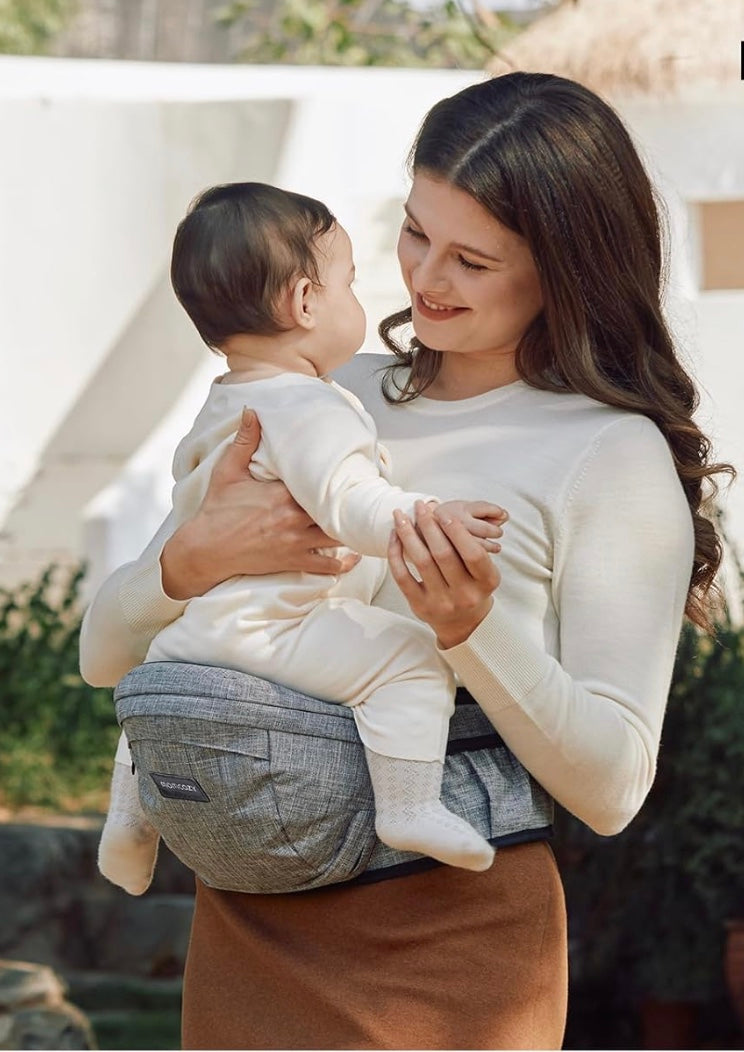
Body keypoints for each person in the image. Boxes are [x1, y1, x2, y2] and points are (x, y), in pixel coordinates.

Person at [80, 72, 733, 1050]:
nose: (425, 277)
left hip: (449, 945)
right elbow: (105, 656)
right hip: (249, 923)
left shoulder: (609, 453)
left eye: (471, 259)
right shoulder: (313, 393)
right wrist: (184, 562)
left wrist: (470, 631)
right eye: (415, 232)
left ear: (563, 268)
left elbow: (609, 789)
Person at [98, 181, 508, 896]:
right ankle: (409, 807)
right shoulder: (312, 407)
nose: (357, 297)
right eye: (348, 282)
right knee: (411, 659)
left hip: (195, 630)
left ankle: (129, 828)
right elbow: (352, 504)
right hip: (278, 631)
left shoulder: (223, 404)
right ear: (306, 302)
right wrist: (432, 517)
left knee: (157, 699)